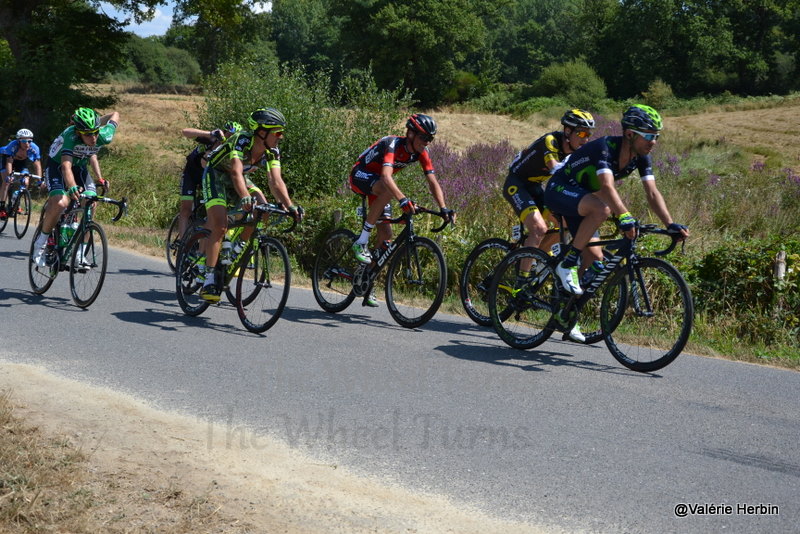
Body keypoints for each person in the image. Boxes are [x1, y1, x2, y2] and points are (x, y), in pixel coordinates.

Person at [543, 104, 689, 335]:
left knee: (595, 258)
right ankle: (567, 263)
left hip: (583, 199)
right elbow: (607, 187)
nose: (653, 142)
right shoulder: (605, 148)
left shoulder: (641, 157)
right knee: (602, 210)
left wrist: (670, 224)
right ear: (629, 134)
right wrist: (624, 216)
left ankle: (565, 312)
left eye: (657, 136)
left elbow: (652, 193)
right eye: (649, 136)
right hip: (560, 190)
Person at [348, 113, 455, 307]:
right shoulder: (392, 145)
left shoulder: (421, 153)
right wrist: (403, 199)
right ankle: (361, 242)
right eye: (424, 137)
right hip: (361, 174)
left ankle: (367, 281)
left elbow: (432, 181)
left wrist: (444, 208)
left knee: (386, 238)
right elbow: (387, 177)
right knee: (389, 189)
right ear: (411, 134)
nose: (427, 143)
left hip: (380, 186)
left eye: (430, 139)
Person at [197, 108, 302, 302]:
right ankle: (209, 279)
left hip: (240, 179)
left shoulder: (273, 151)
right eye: (277, 132)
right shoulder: (242, 140)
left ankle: (239, 246)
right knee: (220, 225)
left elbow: (276, 181)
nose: (281, 136)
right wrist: (245, 197)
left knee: (263, 207)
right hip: (217, 175)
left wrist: (290, 206)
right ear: (262, 132)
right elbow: (236, 172)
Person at [32, 108, 119, 267]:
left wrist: (98, 121)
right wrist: (71, 187)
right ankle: (41, 243)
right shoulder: (70, 136)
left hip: (80, 167)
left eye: (95, 132)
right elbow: (66, 166)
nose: (93, 138)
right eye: (88, 134)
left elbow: (116, 114)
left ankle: (80, 254)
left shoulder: (104, 135)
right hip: (57, 166)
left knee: (91, 203)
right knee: (60, 203)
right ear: (78, 132)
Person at [177, 121, 241, 238]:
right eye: (229, 135)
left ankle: (204, 239)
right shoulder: (212, 139)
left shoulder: (232, 150)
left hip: (207, 177)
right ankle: (182, 243)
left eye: (234, 136)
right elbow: (185, 132)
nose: (230, 138)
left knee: (213, 210)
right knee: (186, 209)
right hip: (191, 174)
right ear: (224, 132)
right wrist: (209, 133)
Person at [0, 128, 43, 219]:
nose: (27, 143)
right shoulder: (13, 146)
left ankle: (16, 201)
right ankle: (2, 207)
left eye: (29, 141)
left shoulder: (34, 148)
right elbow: (9, 162)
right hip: (7, 161)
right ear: (19, 140)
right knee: (7, 181)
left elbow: (37, 164)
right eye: (24, 141)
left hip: (21, 163)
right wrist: (9, 176)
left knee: (25, 181)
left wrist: (40, 180)